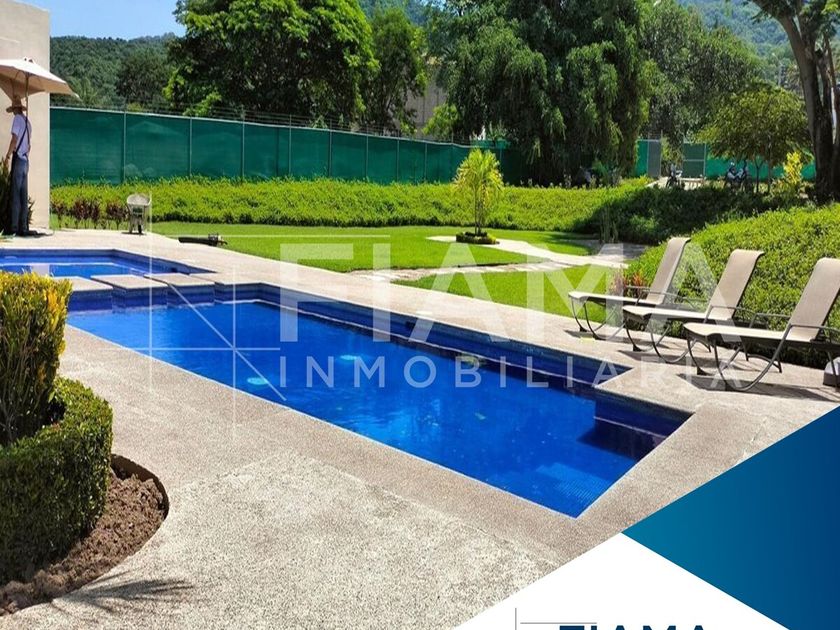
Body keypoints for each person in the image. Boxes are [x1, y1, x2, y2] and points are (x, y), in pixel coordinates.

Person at [4, 95, 32, 236]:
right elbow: (29, 145)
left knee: (15, 194)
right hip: (26, 161)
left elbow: (14, 139)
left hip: (19, 160)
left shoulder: (17, 120)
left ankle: (14, 227)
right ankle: (24, 227)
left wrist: (8, 155)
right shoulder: (28, 123)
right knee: (23, 195)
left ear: (15, 109)